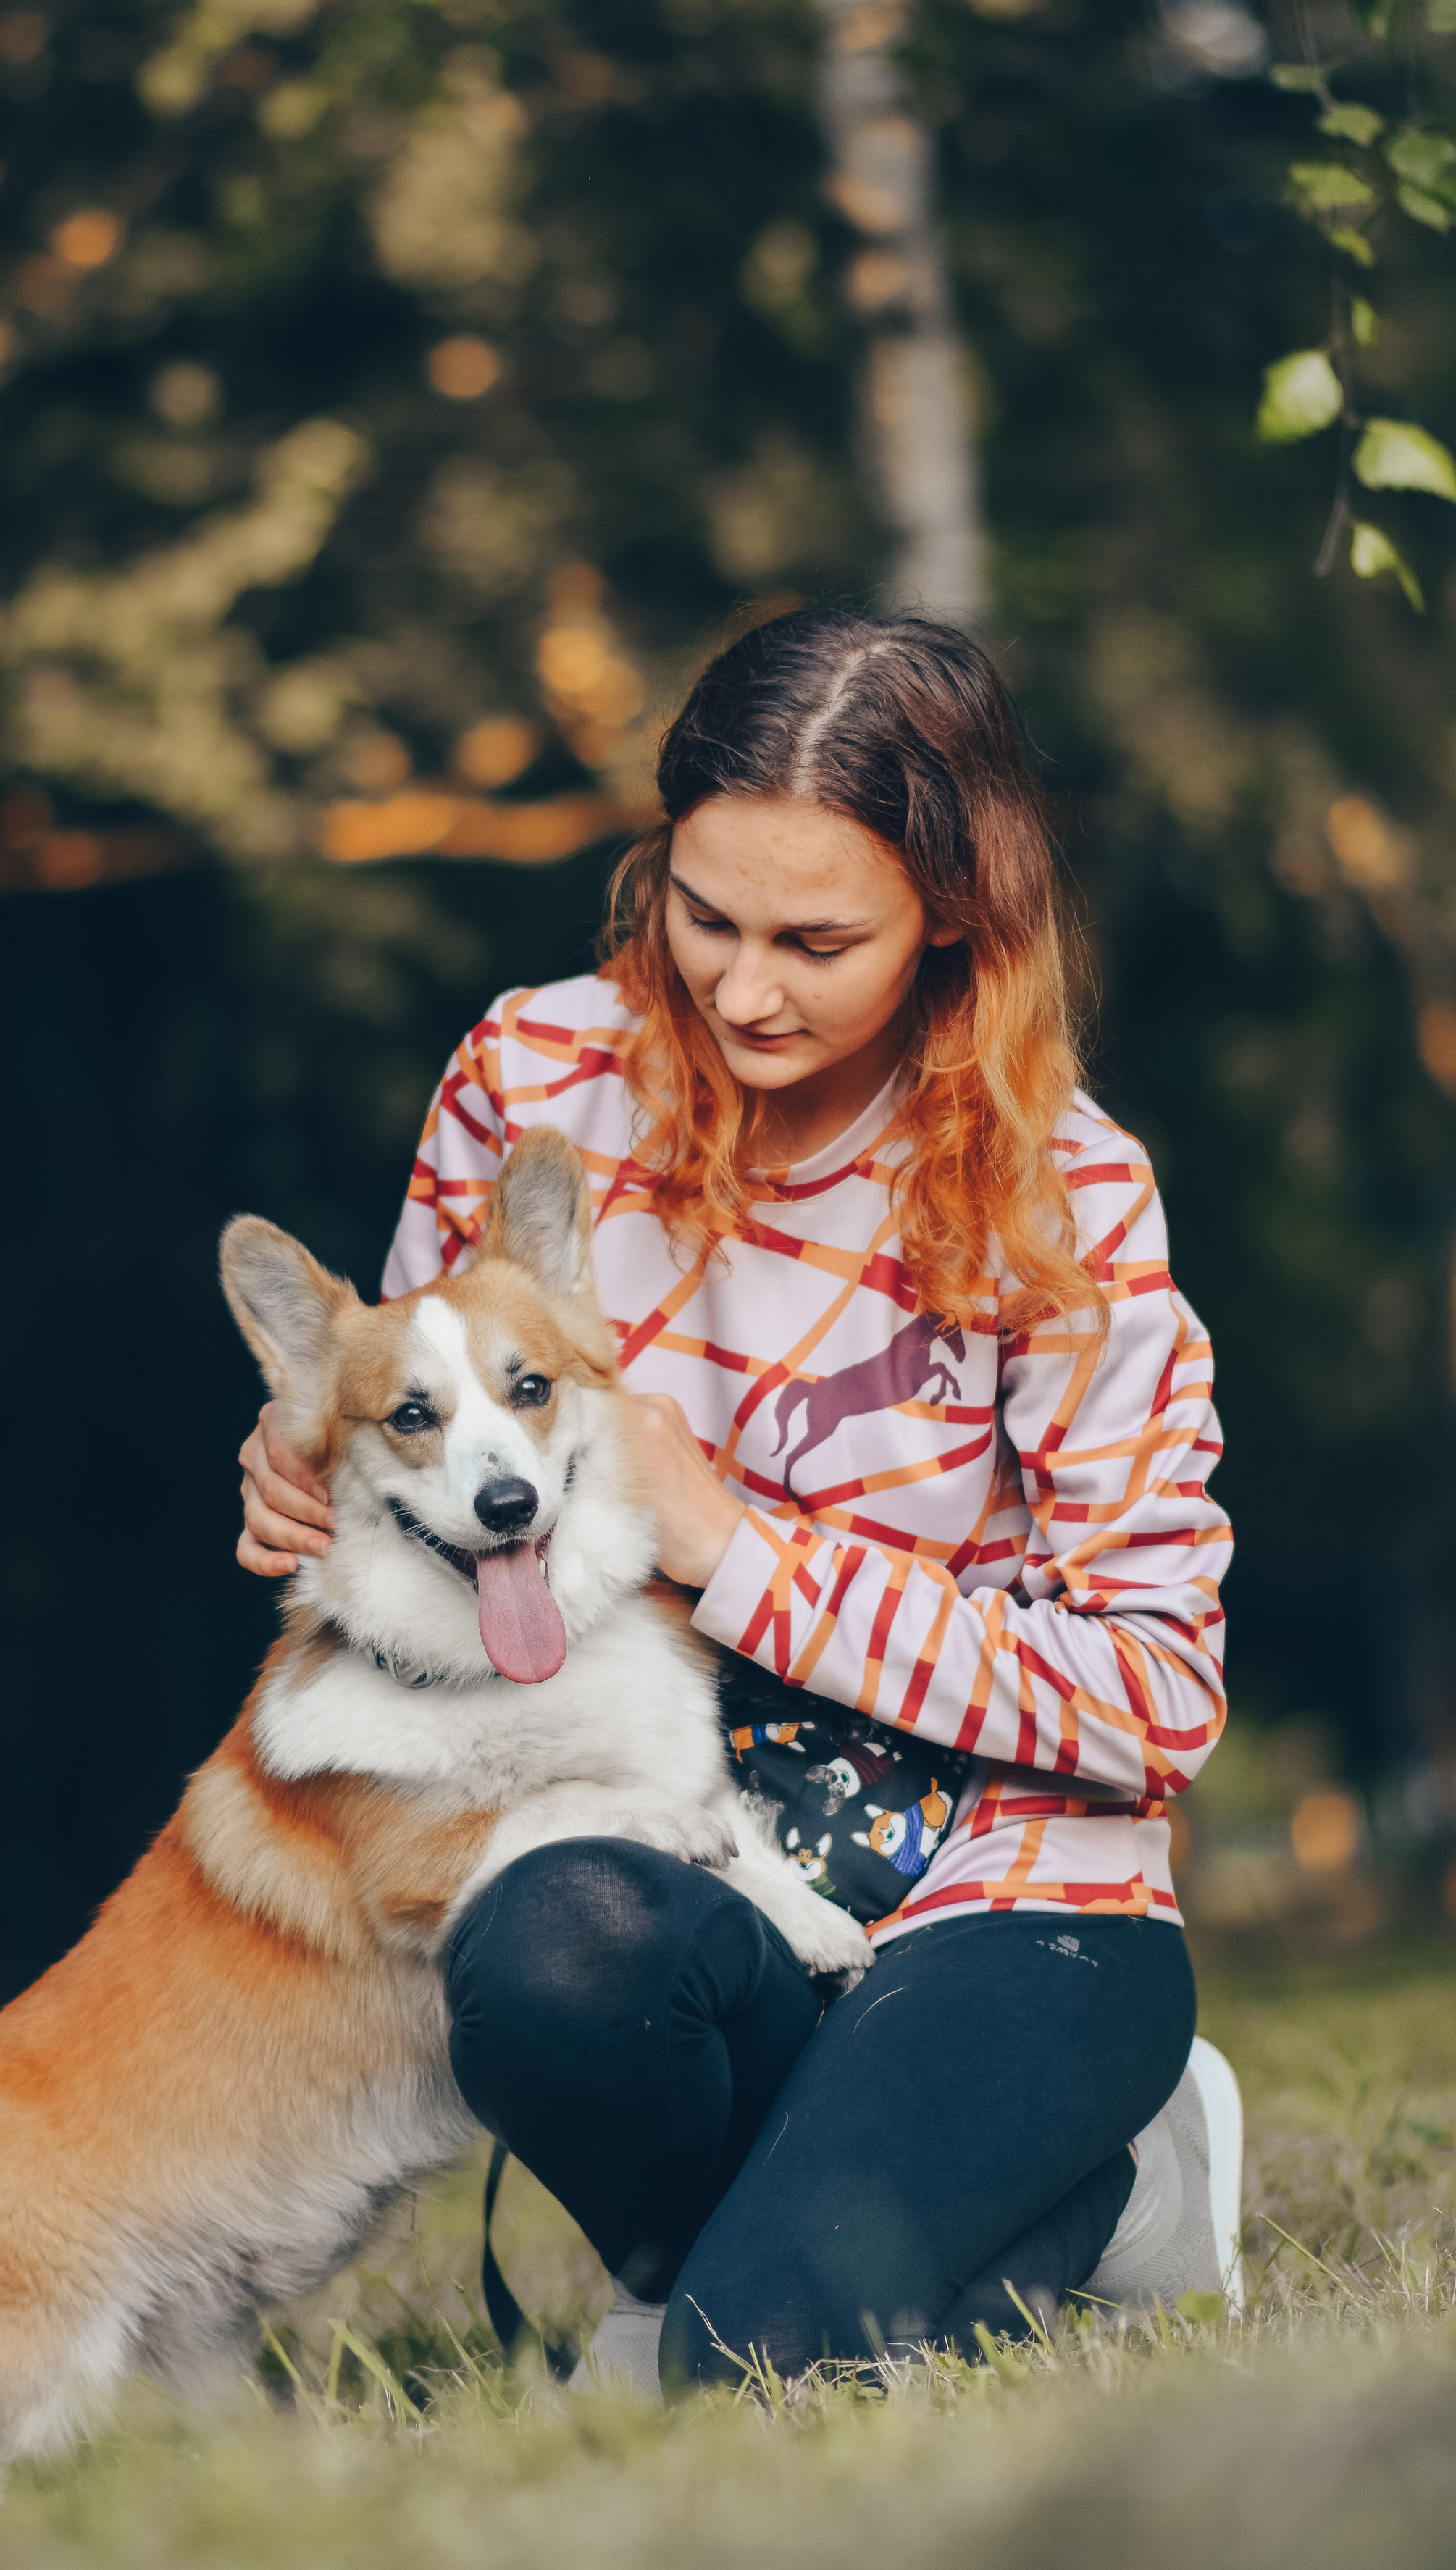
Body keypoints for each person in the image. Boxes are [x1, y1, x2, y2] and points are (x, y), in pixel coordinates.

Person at [237, 606, 1239, 2395]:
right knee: (546, 1957)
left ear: (954, 912)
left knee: (736, 2370)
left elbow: (1151, 1692)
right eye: (704, 915)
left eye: (815, 939)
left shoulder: (1062, 1191)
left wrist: (726, 1549)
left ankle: (1116, 2180)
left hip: (1004, 1901)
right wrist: (323, 1476)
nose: (742, 987)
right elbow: (411, 1431)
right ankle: (772, 2230)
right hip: (665, 1852)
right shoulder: (529, 1076)